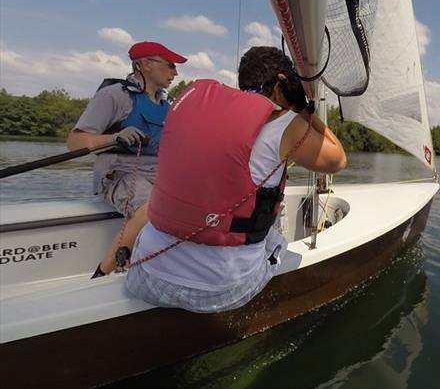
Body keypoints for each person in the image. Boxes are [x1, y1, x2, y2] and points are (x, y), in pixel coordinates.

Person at [124, 46, 346, 313]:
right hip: (220, 292)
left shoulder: (191, 110)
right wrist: (302, 108)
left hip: (146, 275)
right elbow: (338, 159)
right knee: (276, 241)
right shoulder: (284, 123)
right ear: (281, 83)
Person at [67, 41, 187, 278]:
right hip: (120, 175)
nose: (175, 73)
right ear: (145, 65)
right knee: (151, 208)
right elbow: (74, 142)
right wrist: (114, 137)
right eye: (170, 65)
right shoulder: (114, 96)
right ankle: (103, 272)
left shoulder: (168, 106)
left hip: (159, 176)